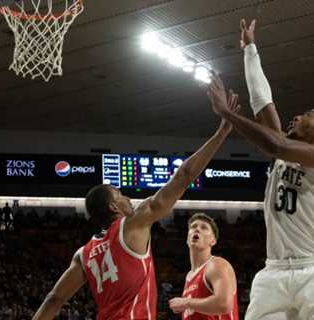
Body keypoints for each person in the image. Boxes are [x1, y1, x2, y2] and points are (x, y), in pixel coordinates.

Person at [32, 102, 239, 319]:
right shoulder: (132, 224)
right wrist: (221, 133)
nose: (128, 199)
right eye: (121, 195)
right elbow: (184, 175)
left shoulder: (82, 255)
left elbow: (54, 298)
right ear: (113, 207)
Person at [206, 19, 314, 319]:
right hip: (273, 272)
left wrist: (227, 113)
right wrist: (250, 50)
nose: (296, 115)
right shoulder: (285, 146)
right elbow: (262, 102)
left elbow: (277, 147)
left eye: (307, 115)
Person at [169, 213, 238, 320]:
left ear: (213, 241)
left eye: (204, 228)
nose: (197, 229)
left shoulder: (217, 264)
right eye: (193, 227)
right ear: (187, 239)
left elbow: (224, 304)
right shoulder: (189, 276)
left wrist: (187, 302)